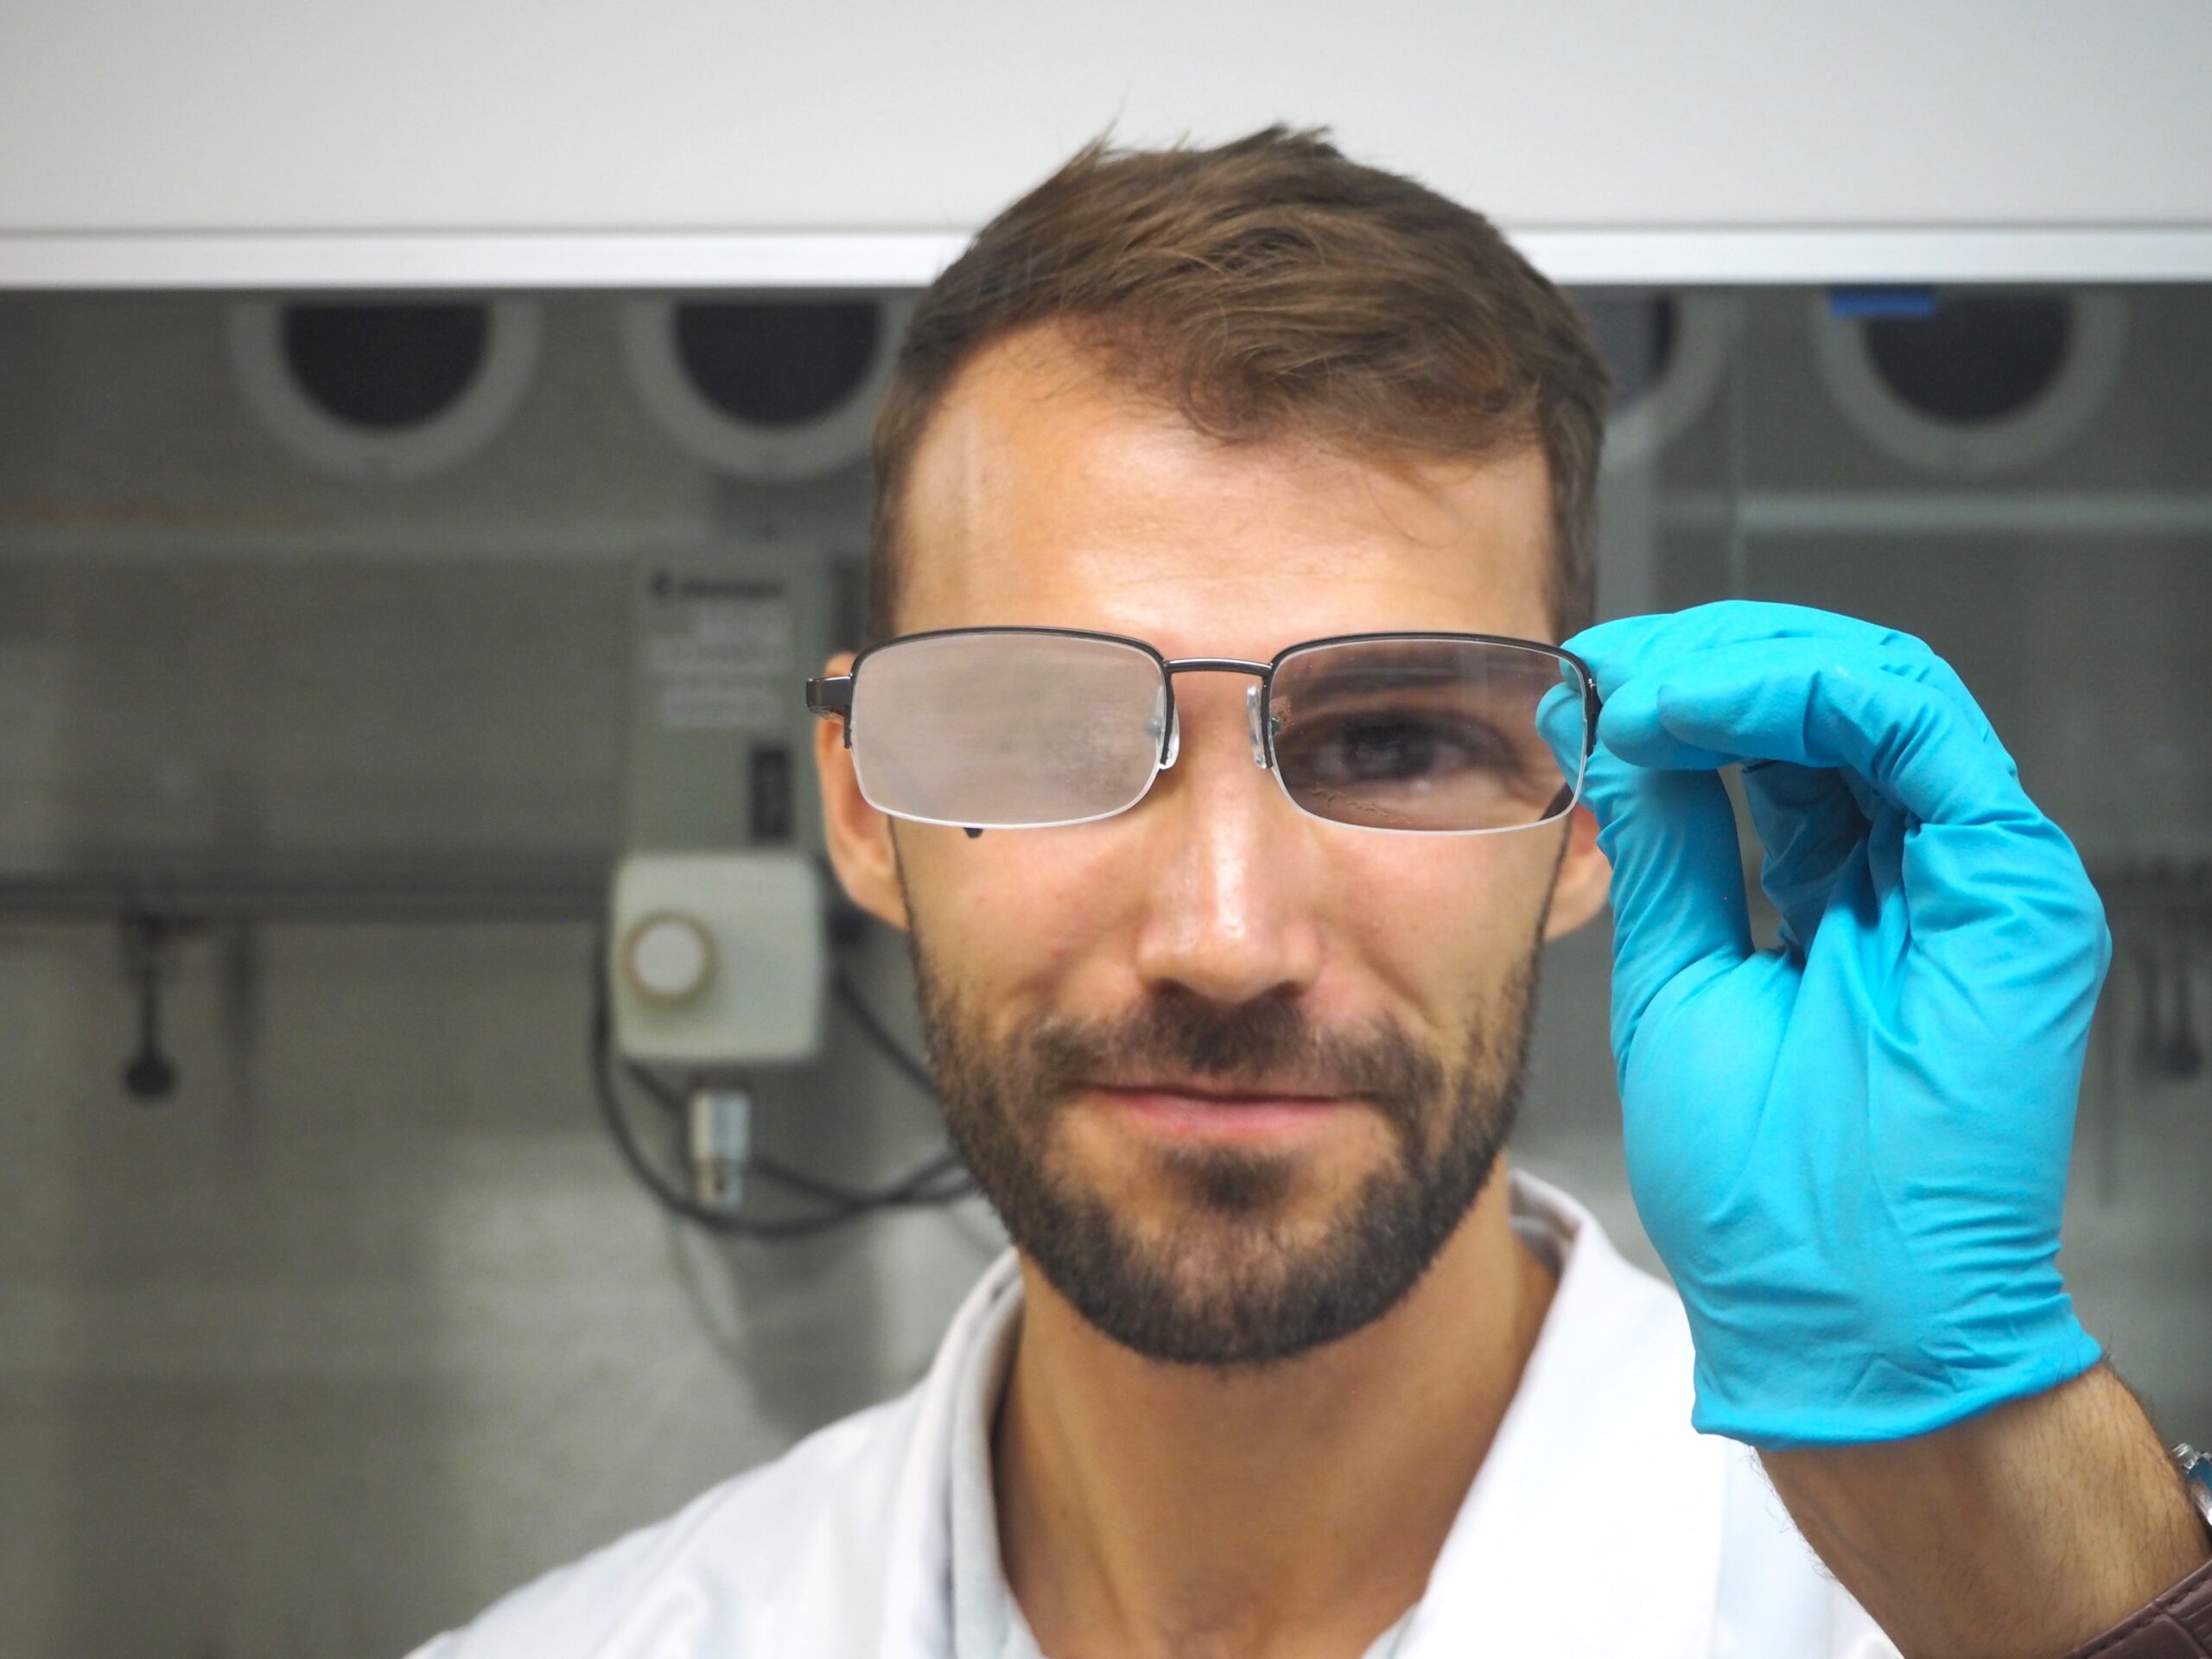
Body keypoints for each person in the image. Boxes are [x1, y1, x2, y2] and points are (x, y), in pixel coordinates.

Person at [410, 128, 2212, 1659]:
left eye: (1393, 742)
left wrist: (2031, 1538)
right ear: (864, 809)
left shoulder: (1984, 1619)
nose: (1224, 938)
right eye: (1054, 737)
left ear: (1592, 824)